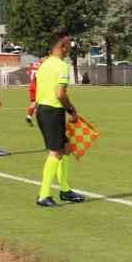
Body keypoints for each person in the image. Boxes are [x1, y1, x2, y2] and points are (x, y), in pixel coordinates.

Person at [33, 30, 84, 207]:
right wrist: (72, 110)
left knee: (66, 148)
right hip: (52, 111)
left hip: (43, 110)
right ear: (62, 46)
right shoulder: (62, 66)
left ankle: (65, 190)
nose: (70, 47)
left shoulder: (44, 64)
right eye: (69, 44)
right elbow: (60, 94)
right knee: (55, 152)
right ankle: (44, 195)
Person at [23, 56, 41, 125]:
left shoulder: (32, 65)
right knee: (40, 104)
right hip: (38, 86)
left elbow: (28, 73)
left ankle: (28, 116)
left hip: (32, 86)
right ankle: (40, 119)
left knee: (34, 103)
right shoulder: (42, 65)